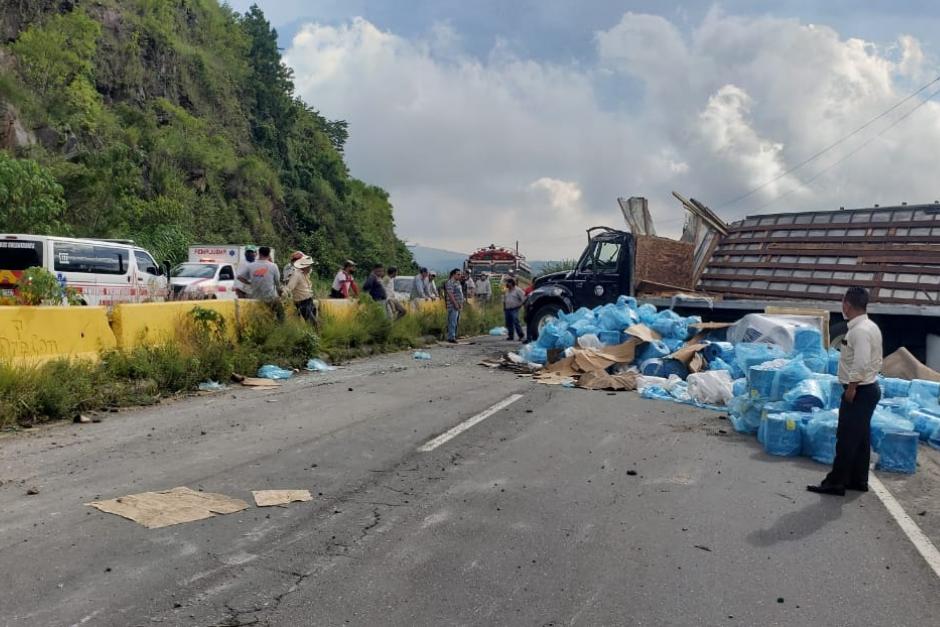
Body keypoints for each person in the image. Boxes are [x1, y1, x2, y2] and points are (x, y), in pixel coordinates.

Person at [808, 286, 883, 496]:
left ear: (847, 305)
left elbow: (860, 361)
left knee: (846, 437)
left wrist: (851, 388)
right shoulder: (871, 326)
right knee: (860, 438)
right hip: (868, 387)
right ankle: (858, 480)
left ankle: (835, 482)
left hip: (859, 389)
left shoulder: (859, 331)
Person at [236, 246, 283, 320]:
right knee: (280, 312)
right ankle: (281, 326)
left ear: (258, 253)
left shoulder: (251, 266)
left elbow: (239, 277)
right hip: (269, 298)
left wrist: (249, 283)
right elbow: (277, 283)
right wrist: (280, 293)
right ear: (269, 254)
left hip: (255, 297)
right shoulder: (273, 266)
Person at [287, 254, 317, 324]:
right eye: (309, 265)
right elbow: (289, 288)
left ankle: (311, 334)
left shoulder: (305, 273)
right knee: (313, 324)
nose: (310, 267)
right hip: (302, 303)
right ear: (304, 266)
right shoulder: (296, 274)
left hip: (309, 301)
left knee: (312, 323)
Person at [444, 268, 464, 343]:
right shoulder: (450, 283)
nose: (459, 276)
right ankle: (451, 337)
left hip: (458, 305)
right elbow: (450, 294)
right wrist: (455, 304)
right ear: (453, 274)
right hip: (453, 305)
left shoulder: (457, 282)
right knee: (452, 321)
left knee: (456, 321)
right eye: (458, 274)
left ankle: (454, 335)